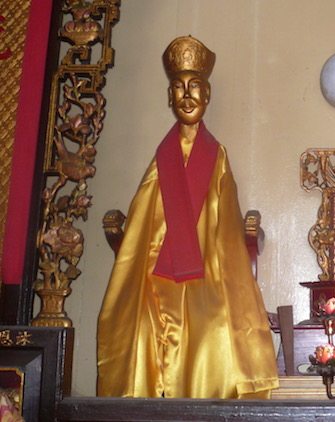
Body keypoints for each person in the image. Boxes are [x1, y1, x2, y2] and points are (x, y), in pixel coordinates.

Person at [97, 36, 278, 399]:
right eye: (178, 88)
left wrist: (221, 276)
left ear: (207, 94)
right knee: (139, 328)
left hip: (207, 273)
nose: (187, 95)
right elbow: (143, 222)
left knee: (215, 328)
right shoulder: (162, 157)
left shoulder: (216, 155)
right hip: (156, 275)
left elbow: (227, 228)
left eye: (195, 86)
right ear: (169, 97)